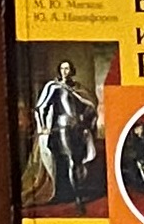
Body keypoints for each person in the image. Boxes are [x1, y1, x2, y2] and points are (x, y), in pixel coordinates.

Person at [34, 58, 100, 210]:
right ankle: (78, 199)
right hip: (62, 128)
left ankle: (75, 192)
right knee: (71, 160)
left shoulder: (78, 89)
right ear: (59, 70)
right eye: (63, 68)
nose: (65, 71)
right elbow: (41, 108)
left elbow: (89, 107)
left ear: (72, 71)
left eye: (68, 68)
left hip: (78, 129)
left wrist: (85, 120)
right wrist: (43, 127)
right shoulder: (54, 87)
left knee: (78, 160)